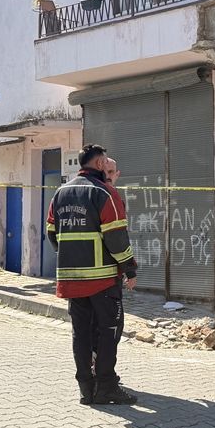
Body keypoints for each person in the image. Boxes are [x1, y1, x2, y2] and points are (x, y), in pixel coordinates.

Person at [47, 144, 138, 405]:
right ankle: (107, 387)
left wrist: (71, 256)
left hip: (71, 278)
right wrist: (129, 267)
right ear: (99, 164)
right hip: (102, 280)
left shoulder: (60, 193)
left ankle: (86, 389)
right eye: (106, 163)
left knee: (81, 334)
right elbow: (116, 238)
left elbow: (51, 233)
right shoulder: (103, 192)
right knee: (108, 332)